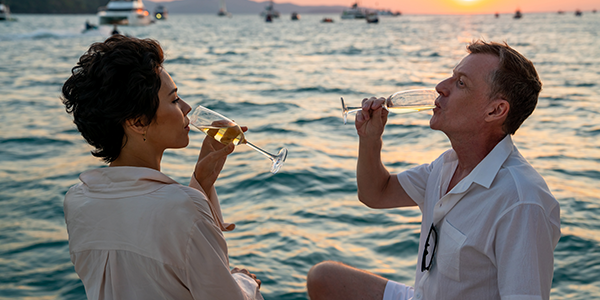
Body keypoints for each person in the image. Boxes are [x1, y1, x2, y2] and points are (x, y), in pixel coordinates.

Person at [307, 40, 561, 300]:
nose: (441, 87)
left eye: (461, 82)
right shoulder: (447, 165)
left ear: (495, 110)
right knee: (324, 278)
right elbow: (375, 194)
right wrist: (370, 139)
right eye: (452, 76)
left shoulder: (522, 201)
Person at [61, 35, 263, 300]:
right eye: (175, 99)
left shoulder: (77, 201)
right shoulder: (183, 207)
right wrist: (245, 282)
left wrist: (202, 184)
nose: (187, 108)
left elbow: (143, 275)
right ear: (138, 122)